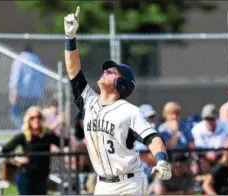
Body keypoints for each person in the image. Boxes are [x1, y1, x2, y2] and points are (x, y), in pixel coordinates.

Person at [64, 6, 172, 195]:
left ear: (122, 84)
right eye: (106, 70)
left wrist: (161, 159)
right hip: (103, 184)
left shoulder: (129, 111)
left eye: (112, 72)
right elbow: (73, 71)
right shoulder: (89, 101)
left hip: (129, 183)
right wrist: (70, 38)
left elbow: (152, 137)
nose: (105, 71)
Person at [1, 106, 69, 195]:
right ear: (28, 120)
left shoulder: (46, 135)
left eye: (39, 117)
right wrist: (17, 159)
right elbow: (5, 150)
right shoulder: (24, 136)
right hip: (26, 175)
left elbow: (64, 143)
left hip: (42, 176)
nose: (36, 120)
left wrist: (64, 124)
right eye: (32, 118)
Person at [8, 44, 46, 129]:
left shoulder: (20, 59)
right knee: (31, 115)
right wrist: (41, 91)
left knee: (14, 113)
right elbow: (43, 77)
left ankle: (23, 129)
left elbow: (15, 77)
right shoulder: (37, 60)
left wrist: (13, 92)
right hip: (36, 94)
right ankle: (29, 129)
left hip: (22, 94)